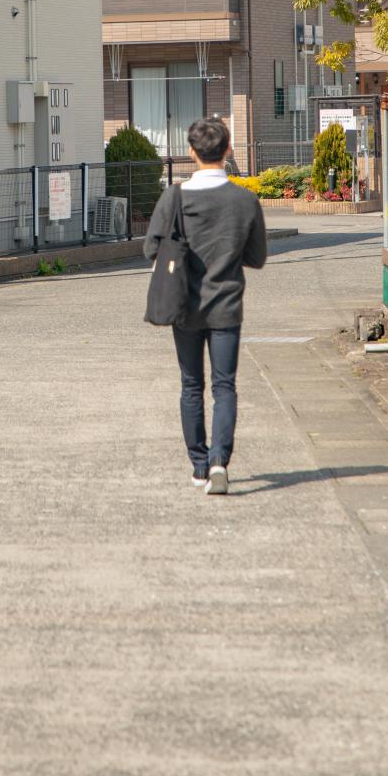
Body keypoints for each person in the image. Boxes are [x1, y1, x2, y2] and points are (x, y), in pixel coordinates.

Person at [144, 117, 267, 496]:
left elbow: (151, 249)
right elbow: (257, 257)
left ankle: (199, 465)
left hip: (184, 305)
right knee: (225, 385)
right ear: (227, 150)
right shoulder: (245, 200)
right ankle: (219, 462)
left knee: (191, 385)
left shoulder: (175, 198)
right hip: (227, 306)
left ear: (191, 152)